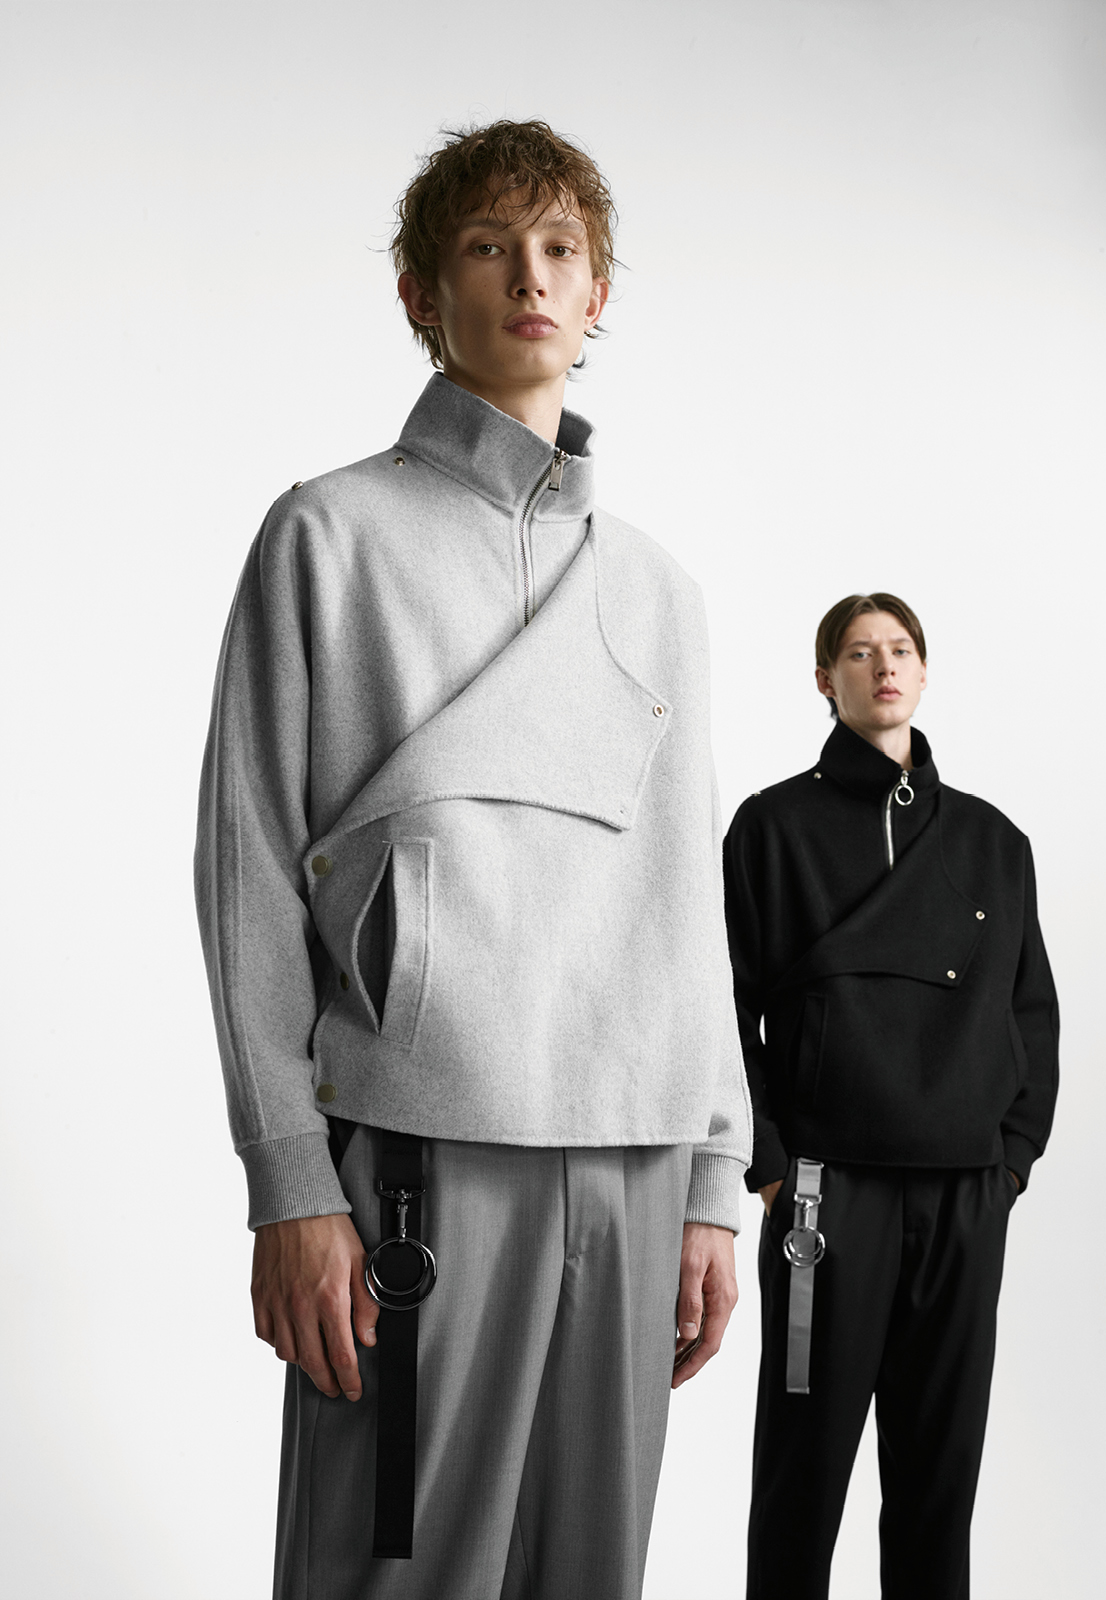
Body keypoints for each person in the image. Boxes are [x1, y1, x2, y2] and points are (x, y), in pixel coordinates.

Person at [194, 119, 751, 1600]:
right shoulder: (328, 536)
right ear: (420, 292)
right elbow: (249, 869)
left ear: (599, 291)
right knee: (391, 1573)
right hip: (421, 1153)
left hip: (635, 1156)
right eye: (489, 247)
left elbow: (688, 899)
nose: (530, 277)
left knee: (588, 1577)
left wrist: (714, 1175)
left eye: (561, 249)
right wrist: (289, 1179)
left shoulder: (661, 591)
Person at [723, 592, 1059, 1600]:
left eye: (901, 649)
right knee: (801, 1484)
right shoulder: (772, 826)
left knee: (938, 1489)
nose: (884, 667)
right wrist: (770, 1165)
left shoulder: (994, 840)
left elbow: (1032, 1009)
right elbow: (725, 1008)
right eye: (860, 652)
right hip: (827, 1195)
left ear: (923, 669)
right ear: (823, 679)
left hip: (964, 1191)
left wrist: (1010, 1159)